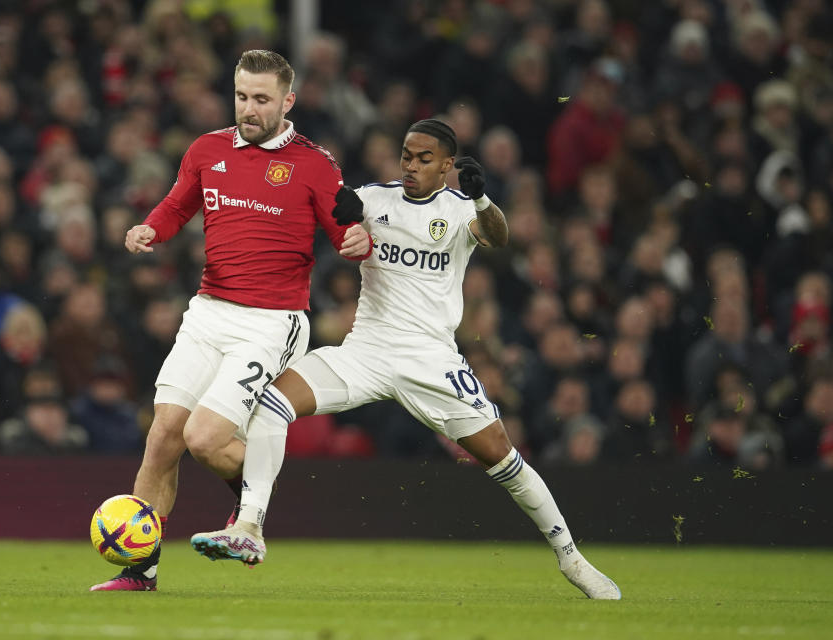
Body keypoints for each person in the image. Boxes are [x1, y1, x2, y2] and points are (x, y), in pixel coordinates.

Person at [190, 119, 622, 600]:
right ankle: (249, 527)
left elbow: (498, 237)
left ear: (447, 166)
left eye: (423, 159)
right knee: (273, 402)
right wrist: (337, 211)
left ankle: (571, 558)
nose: (411, 166)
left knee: (502, 455)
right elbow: (321, 205)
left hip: (431, 358)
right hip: (367, 349)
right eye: (406, 156)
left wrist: (482, 198)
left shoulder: (460, 210)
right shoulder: (375, 199)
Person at [90, 50, 371, 592]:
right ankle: (140, 571)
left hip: (272, 320)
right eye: (242, 96)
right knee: (164, 434)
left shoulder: (315, 163)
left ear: (288, 101)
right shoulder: (207, 149)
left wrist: (359, 242)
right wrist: (149, 228)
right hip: (208, 311)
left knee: (204, 438)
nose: (250, 108)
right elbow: (176, 205)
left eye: (262, 99)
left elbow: (346, 232)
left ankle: (252, 513)